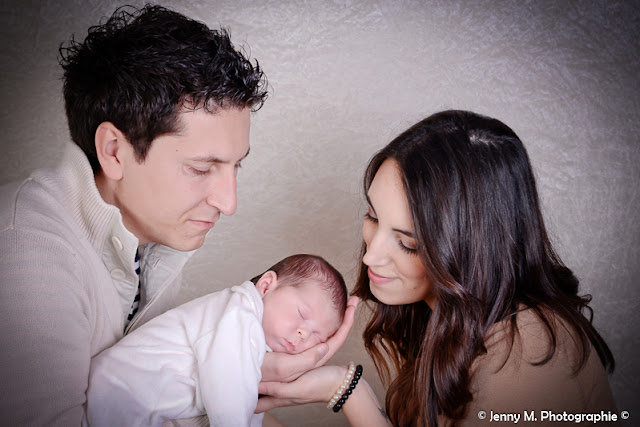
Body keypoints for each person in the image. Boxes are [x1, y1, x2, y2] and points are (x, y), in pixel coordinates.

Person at [0, 5, 357, 426]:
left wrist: (250, 373)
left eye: (235, 166)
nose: (229, 202)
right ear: (114, 151)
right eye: (202, 169)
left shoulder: (152, 236)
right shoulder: (26, 258)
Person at [257, 110, 618, 426]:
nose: (370, 257)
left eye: (408, 243)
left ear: (470, 249)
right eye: (372, 216)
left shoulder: (528, 355)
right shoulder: (440, 317)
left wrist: (346, 390)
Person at [87, 254, 348, 427]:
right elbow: (229, 388)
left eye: (317, 336)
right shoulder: (238, 314)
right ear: (267, 286)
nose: (304, 335)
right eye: (302, 314)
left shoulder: (254, 336)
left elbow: (245, 403)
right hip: (113, 395)